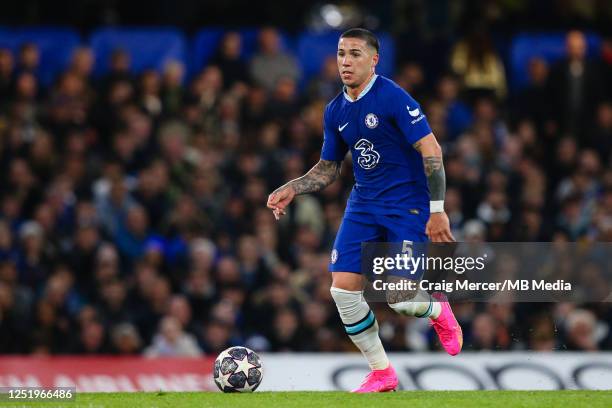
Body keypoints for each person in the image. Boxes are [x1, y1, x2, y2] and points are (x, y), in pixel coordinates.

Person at [267, 28, 462, 393]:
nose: (346, 61)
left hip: (408, 208)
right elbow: (328, 168)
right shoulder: (335, 109)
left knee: (400, 298)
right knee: (342, 291)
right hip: (364, 205)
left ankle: (437, 307)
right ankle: (382, 372)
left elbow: (431, 149)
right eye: (341, 53)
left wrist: (438, 210)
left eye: (355, 54)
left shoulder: (392, 97)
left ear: (374, 60)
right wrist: (292, 187)